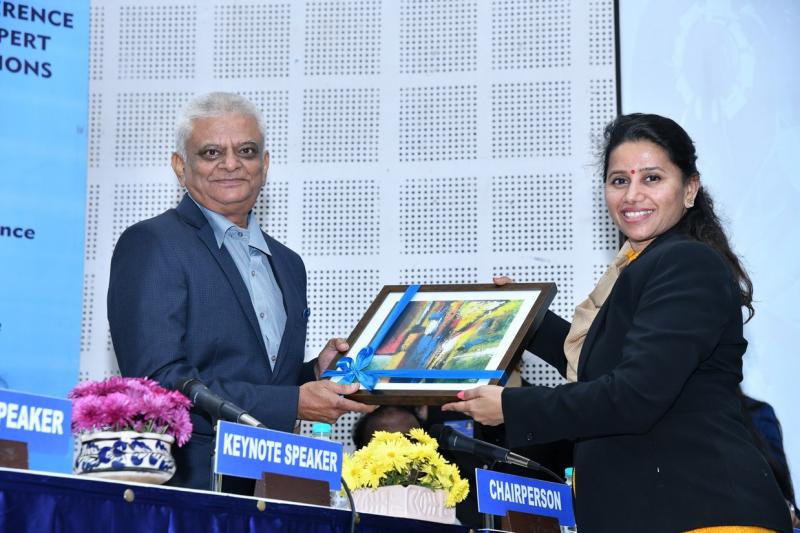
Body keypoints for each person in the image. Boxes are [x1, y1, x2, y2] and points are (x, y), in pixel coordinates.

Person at [443, 114, 792, 532]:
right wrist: (524, 319)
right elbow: (598, 365)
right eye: (619, 180)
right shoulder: (641, 265)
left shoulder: (686, 262)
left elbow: (633, 395)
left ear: (690, 189)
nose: (632, 195)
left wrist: (512, 407)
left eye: (652, 178)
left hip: (701, 512)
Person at [108, 92, 373, 493]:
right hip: (191, 490)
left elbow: (259, 378)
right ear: (180, 167)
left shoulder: (289, 264)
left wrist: (315, 374)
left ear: (264, 165)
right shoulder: (152, 243)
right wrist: (293, 403)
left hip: (279, 486)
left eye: (246, 151)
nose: (231, 163)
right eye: (211, 152)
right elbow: (158, 382)